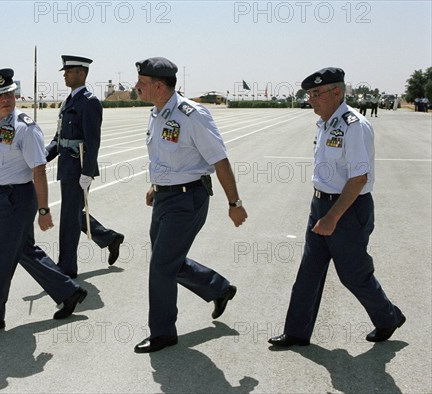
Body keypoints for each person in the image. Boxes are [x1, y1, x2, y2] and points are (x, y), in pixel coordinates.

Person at [268, 67, 405, 348]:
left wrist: (332, 217)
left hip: (348, 210)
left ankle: (388, 317)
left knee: (353, 274)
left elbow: (358, 178)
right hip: (321, 204)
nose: (311, 99)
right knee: (309, 271)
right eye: (310, 94)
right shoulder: (326, 124)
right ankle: (296, 332)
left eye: (317, 93)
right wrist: (322, 211)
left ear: (337, 92)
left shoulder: (354, 126)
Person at [0, 68, 87, 335]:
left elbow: (38, 170)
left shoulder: (25, 128)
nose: (7, 99)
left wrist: (43, 210)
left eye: (10, 94)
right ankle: (69, 291)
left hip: (18, 198)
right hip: (1, 198)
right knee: (24, 251)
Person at [132, 57, 248, 353]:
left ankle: (163, 333)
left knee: (161, 265)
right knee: (167, 260)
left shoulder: (192, 115)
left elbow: (219, 159)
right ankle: (217, 288)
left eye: (142, 84)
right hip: (165, 197)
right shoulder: (156, 113)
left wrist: (234, 202)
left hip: (187, 199)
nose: (136, 87)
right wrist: (154, 185)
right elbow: (164, 157)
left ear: (159, 86)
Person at [46, 55, 125, 279]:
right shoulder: (68, 101)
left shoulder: (89, 102)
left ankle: (66, 269)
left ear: (81, 74)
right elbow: (58, 138)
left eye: (69, 71)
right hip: (66, 165)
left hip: (79, 167)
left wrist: (87, 173)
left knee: (69, 217)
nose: (64, 75)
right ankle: (109, 238)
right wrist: (41, 156)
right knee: (73, 213)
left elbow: (93, 141)